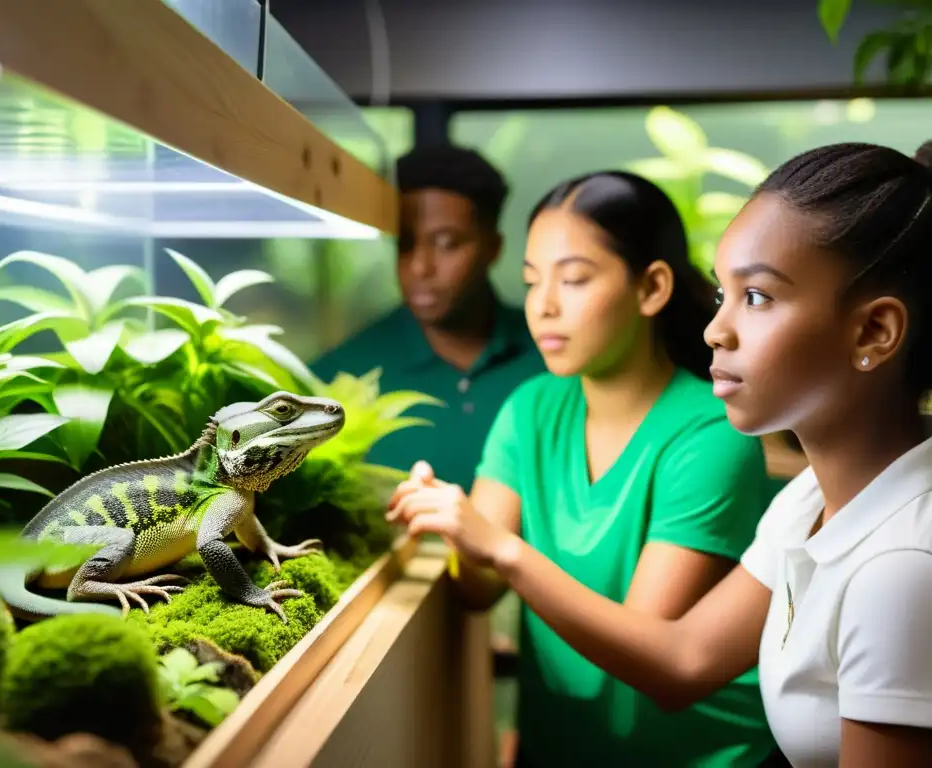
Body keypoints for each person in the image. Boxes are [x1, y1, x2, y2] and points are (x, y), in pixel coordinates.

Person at [389, 142, 932, 767]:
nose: (715, 329)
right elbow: (684, 661)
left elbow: (652, 658)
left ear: (874, 332)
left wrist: (504, 549)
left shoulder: (902, 569)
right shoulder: (807, 502)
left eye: (756, 296)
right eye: (723, 294)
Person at [394, 169, 780, 766]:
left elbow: (644, 651)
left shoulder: (710, 434)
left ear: (652, 288)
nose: (543, 305)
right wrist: (448, 522)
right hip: (558, 750)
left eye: (573, 279)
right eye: (530, 281)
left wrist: (501, 547)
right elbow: (478, 588)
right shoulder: (529, 410)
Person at [309, 145, 545, 490]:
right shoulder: (337, 379)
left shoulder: (554, 359)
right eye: (405, 244)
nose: (420, 266)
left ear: (493, 248)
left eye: (447, 244)